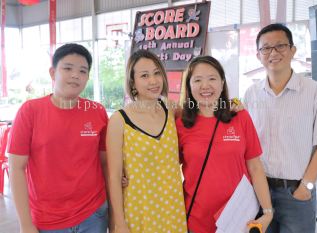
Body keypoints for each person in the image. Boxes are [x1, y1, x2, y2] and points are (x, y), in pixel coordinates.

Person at [244, 23, 317, 233]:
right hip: (259, 192)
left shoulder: (314, 92)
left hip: (296, 192)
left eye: (280, 46)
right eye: (266, 48)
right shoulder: (251, 95)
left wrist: (307, 186)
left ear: (293, 50)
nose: (273, 53)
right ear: (258, 54)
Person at [8, 43, 109, 233]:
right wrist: (25, 224)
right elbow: (16, 168)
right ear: (53, 73)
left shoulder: (97, 111)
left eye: (82, 71)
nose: (75, 75)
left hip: (94, 214)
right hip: (48, 221)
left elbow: (105, 163)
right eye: (68, 68)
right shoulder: (30, 111)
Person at [176, 55, 273, 233]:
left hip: (239, 217)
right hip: (196, 218)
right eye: (197, 80)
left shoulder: (240, 117)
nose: (205, 86)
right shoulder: (181, 123)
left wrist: (267, 212)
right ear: (189, 85)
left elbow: (255, 167)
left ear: (222, 83)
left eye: (212, 78)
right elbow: (167, 166)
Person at [106, 49, 187, 233]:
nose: (153, 81)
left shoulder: (171, 109)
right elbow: (114, 177)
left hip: (172, 209)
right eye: (144, 75)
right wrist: (119, 223)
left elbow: (203, 116)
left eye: (157, 73)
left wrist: (232, 105)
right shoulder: (120, 120)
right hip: (139, 210)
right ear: (132, 82)